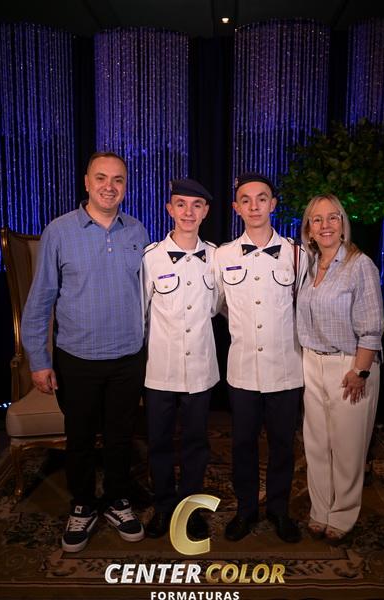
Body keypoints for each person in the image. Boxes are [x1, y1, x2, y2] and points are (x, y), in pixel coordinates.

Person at [21, 152, 150, 552]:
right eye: (101, 178)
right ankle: (82, 504)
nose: (110, 186)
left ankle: (117, 500)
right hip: (76, 358)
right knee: (78, 438)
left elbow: (149, 297)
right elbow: (40, 299)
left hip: (128, 357)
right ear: (87, 182)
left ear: (125, 186)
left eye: (118, 179)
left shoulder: (138, 231)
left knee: (120, 436)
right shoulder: (59, 231)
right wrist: (38, 360)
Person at [214, 172, 305, 543]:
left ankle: (279, 511)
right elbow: (218, 305)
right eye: (246, 200)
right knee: (243, 445)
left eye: (262, 198)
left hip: (286, 369)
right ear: (236, 208)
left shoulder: (298, 254)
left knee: (283, 444)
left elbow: (305, 305)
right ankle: (246, 510)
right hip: (243, 371)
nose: (254, 206)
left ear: (273, 205)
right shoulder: (222, 256)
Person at [297, 193, 384, 545]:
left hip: (349, 365)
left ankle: (343, 514)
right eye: (317, 219)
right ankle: (320, 510)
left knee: (348, 449)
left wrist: (360, 372)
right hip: (312, 362)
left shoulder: (359, 265)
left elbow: (372, 327)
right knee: (317, 445)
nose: (326, 225)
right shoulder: (308, 265)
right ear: (308, 229)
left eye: (333, 217)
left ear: (343, 224)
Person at [142, 178, 219, 539]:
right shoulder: (150, 257)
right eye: (181, 204)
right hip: (160, 369)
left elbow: (219, 306)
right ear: (169, 209)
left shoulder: (217, 257)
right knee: (158, 442)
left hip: (201, 368)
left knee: (196, 443)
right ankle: (163, 507)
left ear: (206, 212)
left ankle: (190, 510)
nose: (188, 212)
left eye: (196, 205)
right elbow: (141, 314)